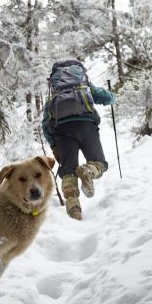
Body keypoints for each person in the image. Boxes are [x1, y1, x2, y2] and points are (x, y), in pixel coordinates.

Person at [40, 60, 115, 220]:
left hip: (62, 130)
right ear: (78, 70)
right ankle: (88, 171)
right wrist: (111, 97)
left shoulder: (55, 91)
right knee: (99, 163)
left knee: (68, 171)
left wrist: (53, 144)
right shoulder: (82, 82)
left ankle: (74, 209)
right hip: (86, 125)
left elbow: (46, 122)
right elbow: (105, 97)